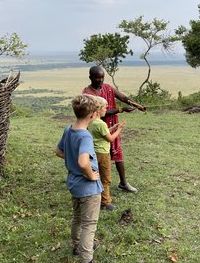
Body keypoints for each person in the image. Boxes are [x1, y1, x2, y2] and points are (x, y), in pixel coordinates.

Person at [55, 94, 103, 263]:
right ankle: (86, 258)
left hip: (74, 184)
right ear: (91, 115)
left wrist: (72, 160)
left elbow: (58, 150)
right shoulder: (85, 137)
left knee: (77, 218)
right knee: (89, 226)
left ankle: (76, 245)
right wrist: (90, 175)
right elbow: (84, 162)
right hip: (88, 189)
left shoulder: (69, 130)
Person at [83, 65, 145, 193]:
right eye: (97, 78)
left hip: (111, 125)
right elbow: (100, 113)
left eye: (102, 78)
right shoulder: (87, 93)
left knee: (117, 153)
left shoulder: (107, 88)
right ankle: (95, 183)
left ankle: (123, 183)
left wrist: (135, 104)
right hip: (97, 128)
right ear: (90, 77)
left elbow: (122, 97)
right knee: (98, 156)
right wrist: (120, 110)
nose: (100, 80)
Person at [89, 96, 126, 211]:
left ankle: (97, 198)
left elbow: (102, 133)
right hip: (103, 154)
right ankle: (106, 202)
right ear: (99, 109)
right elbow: (110, 139)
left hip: (94, 153)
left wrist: (112, 128)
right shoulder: (101, 124)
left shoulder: (92, 122)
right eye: (105, 107)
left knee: (96, 175)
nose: (106, 109)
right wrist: (119, 129)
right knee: (105, 178)